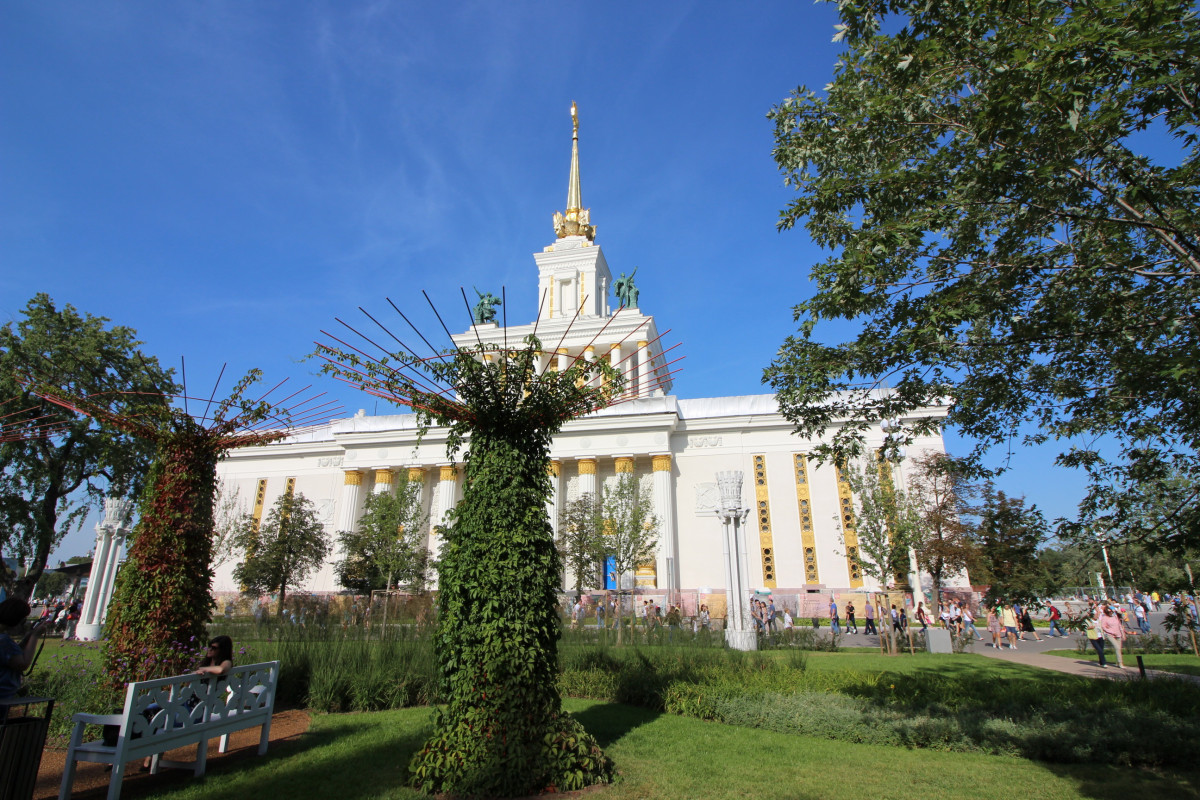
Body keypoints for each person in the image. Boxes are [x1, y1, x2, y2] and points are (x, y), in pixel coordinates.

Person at [1, 598, 46, 700]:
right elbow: (23, 664)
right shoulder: (4, 641)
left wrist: (26, 640)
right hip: (3, 696)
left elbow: (11, 656)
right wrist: (35, 636)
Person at [1099, 604, 1128, 668]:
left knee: (1119, 649)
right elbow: (1103, 626)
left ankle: (1117, 662)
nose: (1111, 613)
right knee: (1117, 647)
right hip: (1110, 635)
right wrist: (1111, 631)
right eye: (1110, 612)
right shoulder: (1104, 618)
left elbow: (1120, 625)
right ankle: (1120, 663)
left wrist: (1123, 634)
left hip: (1118, 634)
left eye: (1112, 612)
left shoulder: (1115, 617)